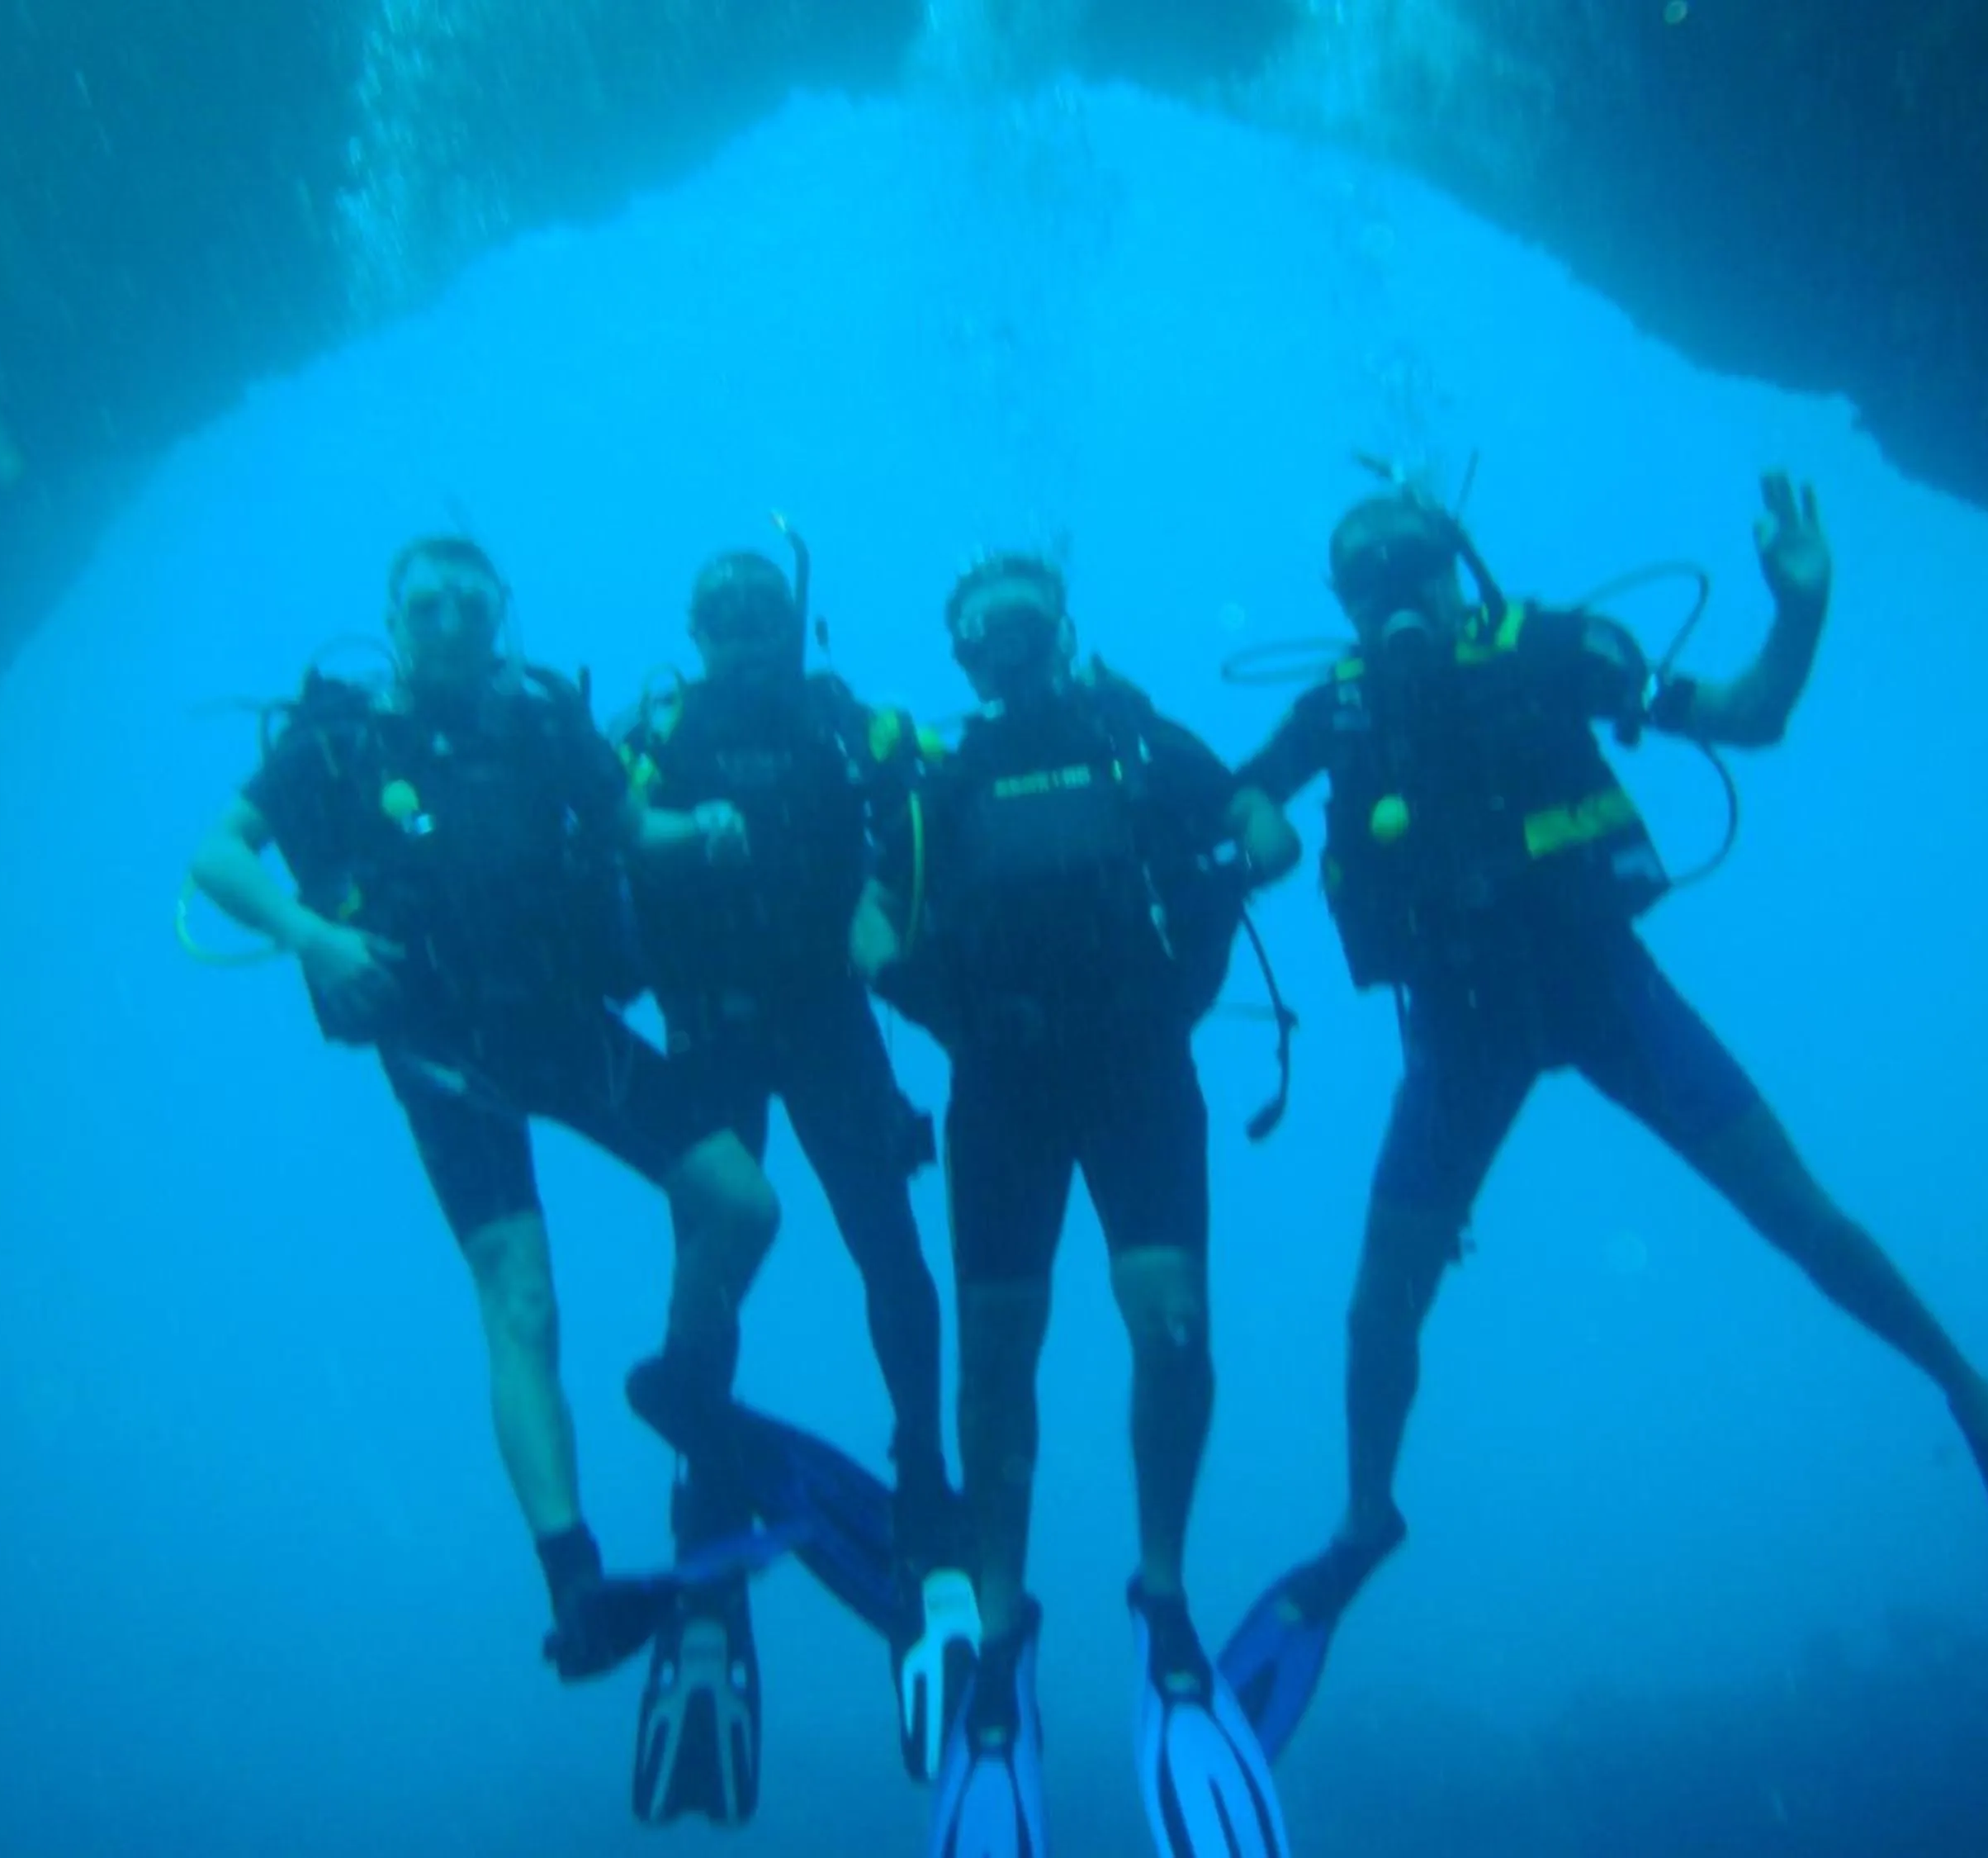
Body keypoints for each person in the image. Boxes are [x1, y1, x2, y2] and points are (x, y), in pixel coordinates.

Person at [1214, 473, 1988, 1759]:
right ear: (1343, 600)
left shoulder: (1555, 645)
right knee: (1379, 1308)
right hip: (1460, 1033)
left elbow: (1750, 714)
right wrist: (1250, 826)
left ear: (1459, 565)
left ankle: (1982, 1405)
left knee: (1804, 1218)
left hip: (1603, 988)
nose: (1395, 591)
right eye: (1366, 576)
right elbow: (1248, 799)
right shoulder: (1335, 707)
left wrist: (1801, 609)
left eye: (1414, 562)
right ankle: (1363, 1520)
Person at [186, 535, 793, 1715]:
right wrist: (314, 936)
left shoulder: (545, 722)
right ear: (392, 615)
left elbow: (633, 831)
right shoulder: (336, 742)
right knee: (520, 1297)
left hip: (562, 1023)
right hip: (441, 1053)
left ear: (503, 610)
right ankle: (575, 1580)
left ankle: (680, 1376)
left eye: (473, 602)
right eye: (429, 604)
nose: (453, 622)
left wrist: (710, 824)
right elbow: (217, 857)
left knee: (743, 1203)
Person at [849, 553, 1297, 1858]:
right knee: (997, 1362)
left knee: (1172, 1324)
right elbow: (870, 912)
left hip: (1138, 1067)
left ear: (1060, 628)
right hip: (1001, 1081)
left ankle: (1164, 1595)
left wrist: (1251, 848)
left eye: (1025, 618)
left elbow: (1260, 818)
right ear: (960, 652)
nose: (1007, 639)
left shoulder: (1135, 741)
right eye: (982, 625)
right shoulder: (941, 778)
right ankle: (1000, 1630)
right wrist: (915, 988)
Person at [613, 535, 971, 1785]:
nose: (742, 627)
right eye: (721, 611)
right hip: (712, 1029)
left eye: (761, 607)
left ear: (795, 619)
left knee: (890, 1249)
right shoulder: (650, 735)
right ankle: (707, 1497)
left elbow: (938, 813)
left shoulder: (846, 724)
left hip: (828, 1021)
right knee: (715, 1260)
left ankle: (924, 1475)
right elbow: (587, 840)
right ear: (694, 629)